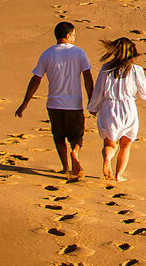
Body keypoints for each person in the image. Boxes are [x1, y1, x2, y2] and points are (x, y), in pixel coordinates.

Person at [15, 21, 94, 181]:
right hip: (74, 105)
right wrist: (92, 100)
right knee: (77, 136)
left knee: (58, 136)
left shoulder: (47, 54)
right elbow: (87, 78)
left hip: (54, 104)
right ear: (67, 35)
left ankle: (65, 167)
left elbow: (36, 80)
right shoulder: (79, 53)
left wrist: (25, 103)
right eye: (74, 35)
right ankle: (75, 153)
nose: (75, 38)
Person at [86, 37, 146, 182]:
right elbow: (145, 92)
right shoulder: (136, 70)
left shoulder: (106, 68)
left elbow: (98, 91)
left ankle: (107, 158)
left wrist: (93, 107)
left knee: (110, 144)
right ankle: (119, 175)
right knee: (126, 144)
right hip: (128, 108)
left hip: (108, 108)